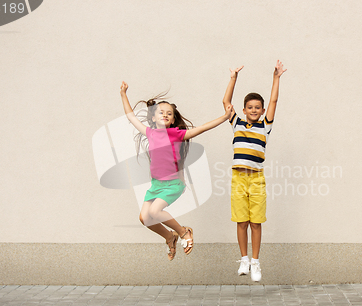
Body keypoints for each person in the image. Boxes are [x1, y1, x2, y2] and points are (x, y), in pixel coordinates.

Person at [120, 82, 232, 260]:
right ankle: (169, 237)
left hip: (173, 185)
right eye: (161, 112)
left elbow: (202, 128)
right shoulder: (150, 133)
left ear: (172, 120)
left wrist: (225, 117)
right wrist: (123, 94)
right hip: (156, 185)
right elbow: (131, 117)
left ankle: (183, 232)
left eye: (169, 113)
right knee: (144, 218)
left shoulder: (176, 134)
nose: (165, 115)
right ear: (154, 118)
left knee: (156, 212)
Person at [222, 60, 287, 282]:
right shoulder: (236, 123)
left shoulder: (265, 125)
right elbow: (225, 101)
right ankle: (244, 259)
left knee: (255, 222)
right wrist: (233, 78)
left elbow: (274, 100)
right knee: (241, 221)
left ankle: (256, 262)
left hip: (256, 179)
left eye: (257, 108)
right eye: (250, 107)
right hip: (238, 178)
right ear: (244, 110)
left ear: (261, 111)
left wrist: (276, 77)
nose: (254, 110)